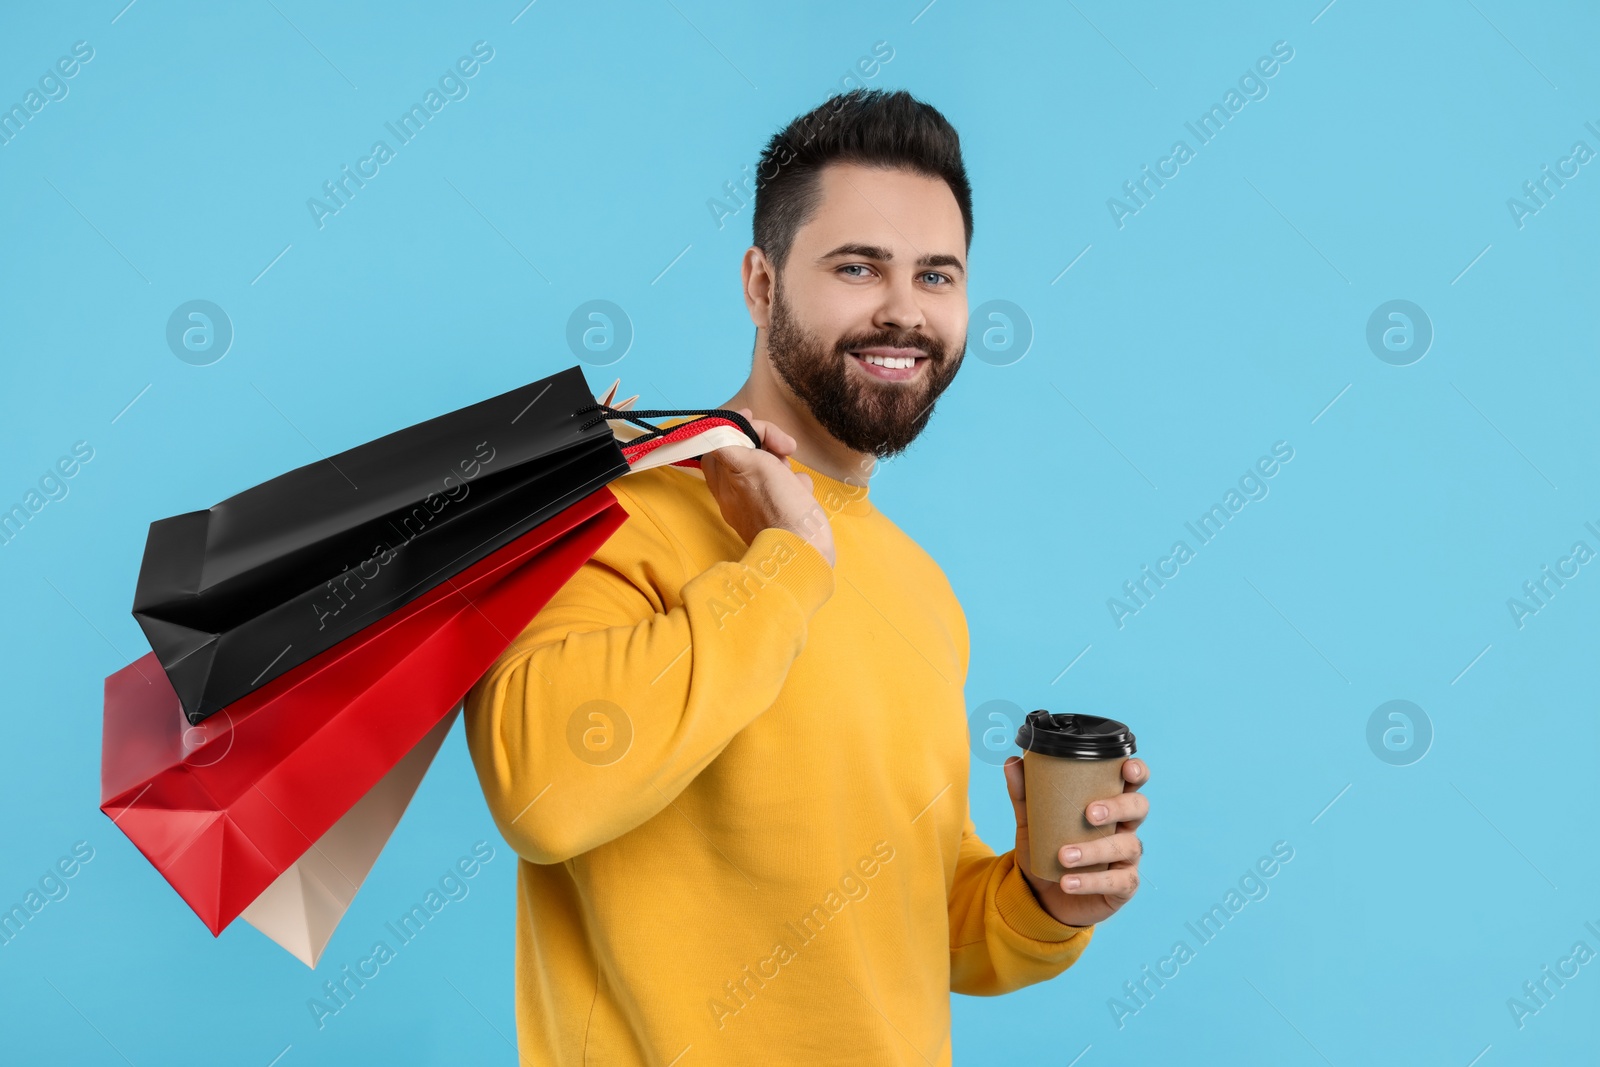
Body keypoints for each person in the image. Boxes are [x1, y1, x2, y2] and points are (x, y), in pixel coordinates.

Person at [464, 87, 1150, 1066]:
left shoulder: (922, 591)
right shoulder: (611, 508)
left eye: (937, 275)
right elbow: (545, 792)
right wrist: (782, 568)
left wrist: (1042, 898)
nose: (904, 311)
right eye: (858, 266)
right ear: (758, 281)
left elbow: (912, 913)